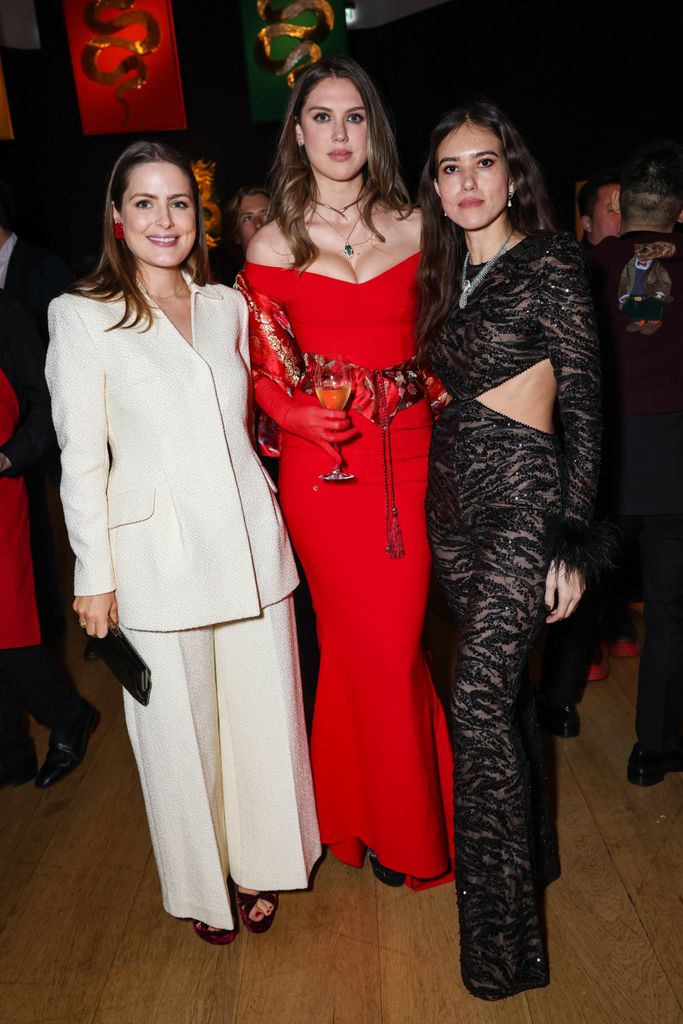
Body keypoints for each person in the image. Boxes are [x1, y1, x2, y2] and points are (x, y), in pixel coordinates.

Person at [45, 140, 321, 943]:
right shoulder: (81, 314)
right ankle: (204, 887)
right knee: (180, 736)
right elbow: (80, 455)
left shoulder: (229, 306)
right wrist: (93, 577)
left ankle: (262, 863)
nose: (164, 219)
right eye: (144, 203)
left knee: (263, 719)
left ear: (198, 218)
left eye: (178, 203)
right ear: (116, 218)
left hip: (247, 545)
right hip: (157, 561)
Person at [236, 56, 454, 890]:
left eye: (353, 116)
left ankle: (389, 818)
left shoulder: (420, 222)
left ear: (374, 130)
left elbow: (449, 339)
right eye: (320, 117)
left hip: (411, 458)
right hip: (321, 472)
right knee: (355, 646)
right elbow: (258, 367)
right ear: (297, 132)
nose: (337, 133)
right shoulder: (270, 242)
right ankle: (381, 828)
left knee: (393, 647)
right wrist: (289, 413)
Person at [417, 101, 612, 998]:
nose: (466, 182)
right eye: (449, 168)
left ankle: (502, 953)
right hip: (450, 505)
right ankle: (531, 859)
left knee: (473, 707)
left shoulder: (551, 261)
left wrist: (570, 541)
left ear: (511, 174)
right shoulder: (445, 272)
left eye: (482, 163)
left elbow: (582, 403)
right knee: (503, 707)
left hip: (523, 503)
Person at [588, 139, 683, 786]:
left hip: (603, 467)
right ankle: (650, 748)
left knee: (580, 601)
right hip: (674, 469)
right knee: (670, 614)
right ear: (676, 212)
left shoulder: (585, 264)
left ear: (620, 209)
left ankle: (556, 706)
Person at [0, 290, 98, 791]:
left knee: (9, 634)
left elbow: (46, 404)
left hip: (0, 493)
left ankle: (69, 716)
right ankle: (10, 755)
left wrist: (8, 456)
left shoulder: (5, 310)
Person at [212, 186, 270, 285]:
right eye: (248, 218)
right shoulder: (229, 290)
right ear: (236, 235)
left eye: (265, 215)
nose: (258, 224)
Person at [577, 167, 621, 249]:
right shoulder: (574, 260)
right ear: (588, 223)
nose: (625, 218)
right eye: (612, 210)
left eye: (626, 210)